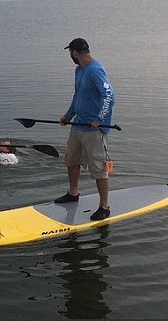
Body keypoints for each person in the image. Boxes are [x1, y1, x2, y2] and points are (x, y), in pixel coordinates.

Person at [55, 37, 115, 221]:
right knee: (71, 160)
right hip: (78, 125)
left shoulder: (95, 69)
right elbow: (78, 95)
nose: (70, 56)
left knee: (99, 168)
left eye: (70, 52)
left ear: (75, 52)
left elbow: (109, 96)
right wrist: (68, 116)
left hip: (94, 131)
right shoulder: (79, 70)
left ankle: (104, 206)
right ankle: (73, 193)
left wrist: (99, 118)